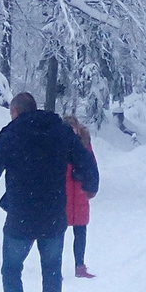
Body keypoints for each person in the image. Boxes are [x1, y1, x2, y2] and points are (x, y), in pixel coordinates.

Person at [0, 92, 98, 292]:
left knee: (11, 270)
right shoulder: (61, 132)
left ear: (16, 112)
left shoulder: (12, 134)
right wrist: (90, 185)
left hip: (21, 217)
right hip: (53, 217)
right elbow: (86, 162)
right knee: (51, 271)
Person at [62, 115, 96, 278]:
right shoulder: (59, 144)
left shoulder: (84, 144)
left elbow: (92, 166)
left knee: (80, 231)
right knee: (58, 233)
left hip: (80, 194)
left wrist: (83, 177)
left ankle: (80, 266)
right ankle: (55, 268)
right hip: (64, 194)